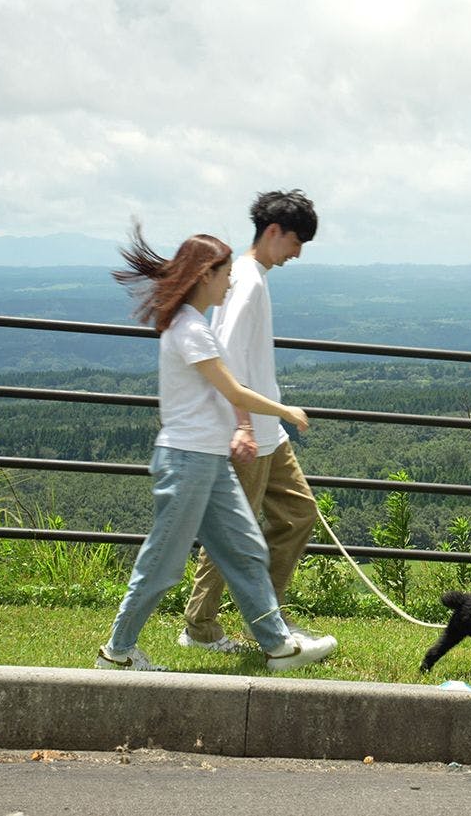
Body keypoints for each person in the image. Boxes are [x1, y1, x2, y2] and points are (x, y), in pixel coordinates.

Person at [98, 228, 337, 672]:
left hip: (209, 461)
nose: (230, 281)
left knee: (246, 551)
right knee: (163, 563)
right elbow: (234, 391)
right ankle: (117, 651)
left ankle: (278, 646)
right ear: (205, 275)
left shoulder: (195, 326)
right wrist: (285, 411)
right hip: (187, 462)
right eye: (225, 273)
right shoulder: (191, 330)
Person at [178, 189, 321, 652]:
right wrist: (241, 426)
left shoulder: (247, 276)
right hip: (248, 432)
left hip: (267, 432)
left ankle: (268, 617)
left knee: (298, 513)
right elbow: (229, 360)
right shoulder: (249, 281)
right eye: (297, 241)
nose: (298, 253)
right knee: (232, 532)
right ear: (274, 232)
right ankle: (200, 629)